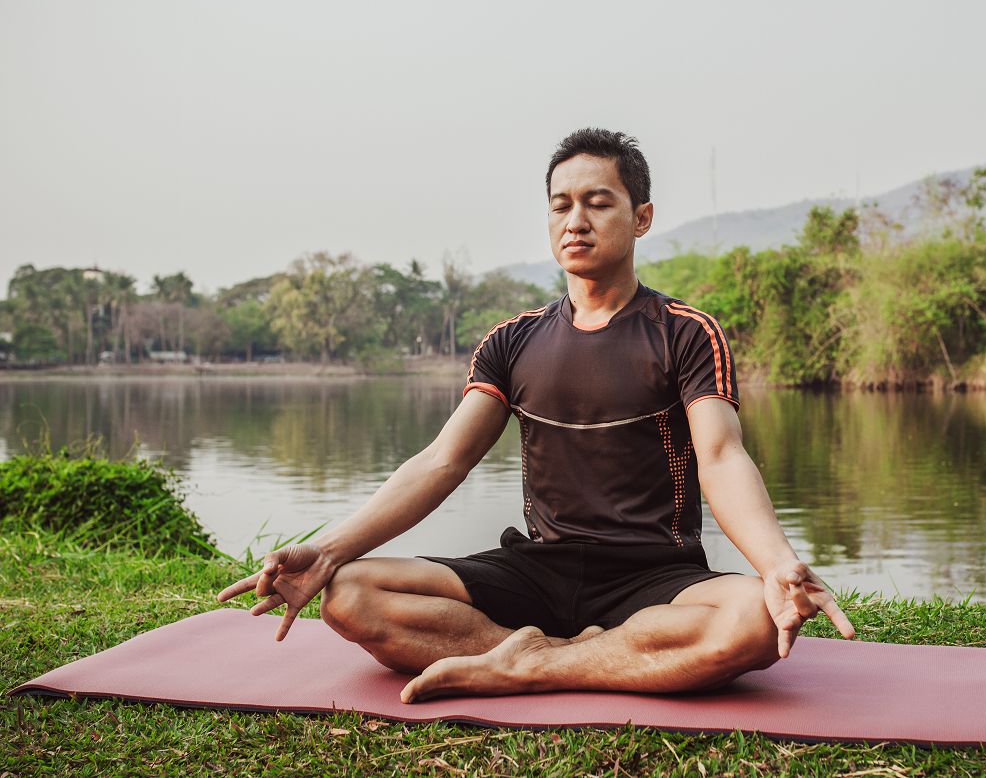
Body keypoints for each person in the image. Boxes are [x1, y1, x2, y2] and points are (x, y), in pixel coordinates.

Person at [216, 128, 855, 703]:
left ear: (642, 218)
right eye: (560, 205)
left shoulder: (685, 333)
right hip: (536, 570)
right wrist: (327, 552)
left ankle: (527, 666)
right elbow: (444, 461)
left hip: (654, 574)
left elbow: (720, 455)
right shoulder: (511, 342)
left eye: (598, 202)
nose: (575, 220)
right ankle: (566, 656)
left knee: (751, 618)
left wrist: (775, 565)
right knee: (353, 595)